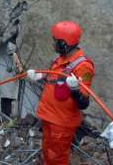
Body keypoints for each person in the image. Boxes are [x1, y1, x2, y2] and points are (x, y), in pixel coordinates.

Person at [26, 21, 94, 165]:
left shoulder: (84, 67)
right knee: (46, 150)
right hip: (49, 115)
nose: (53, 44)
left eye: (55, 41)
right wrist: (39, 76)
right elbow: (52, 76)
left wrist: (75, 90)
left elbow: (83, 103)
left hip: (61, 121)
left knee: (57, 157)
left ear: (64, 43)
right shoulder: (61, 59)